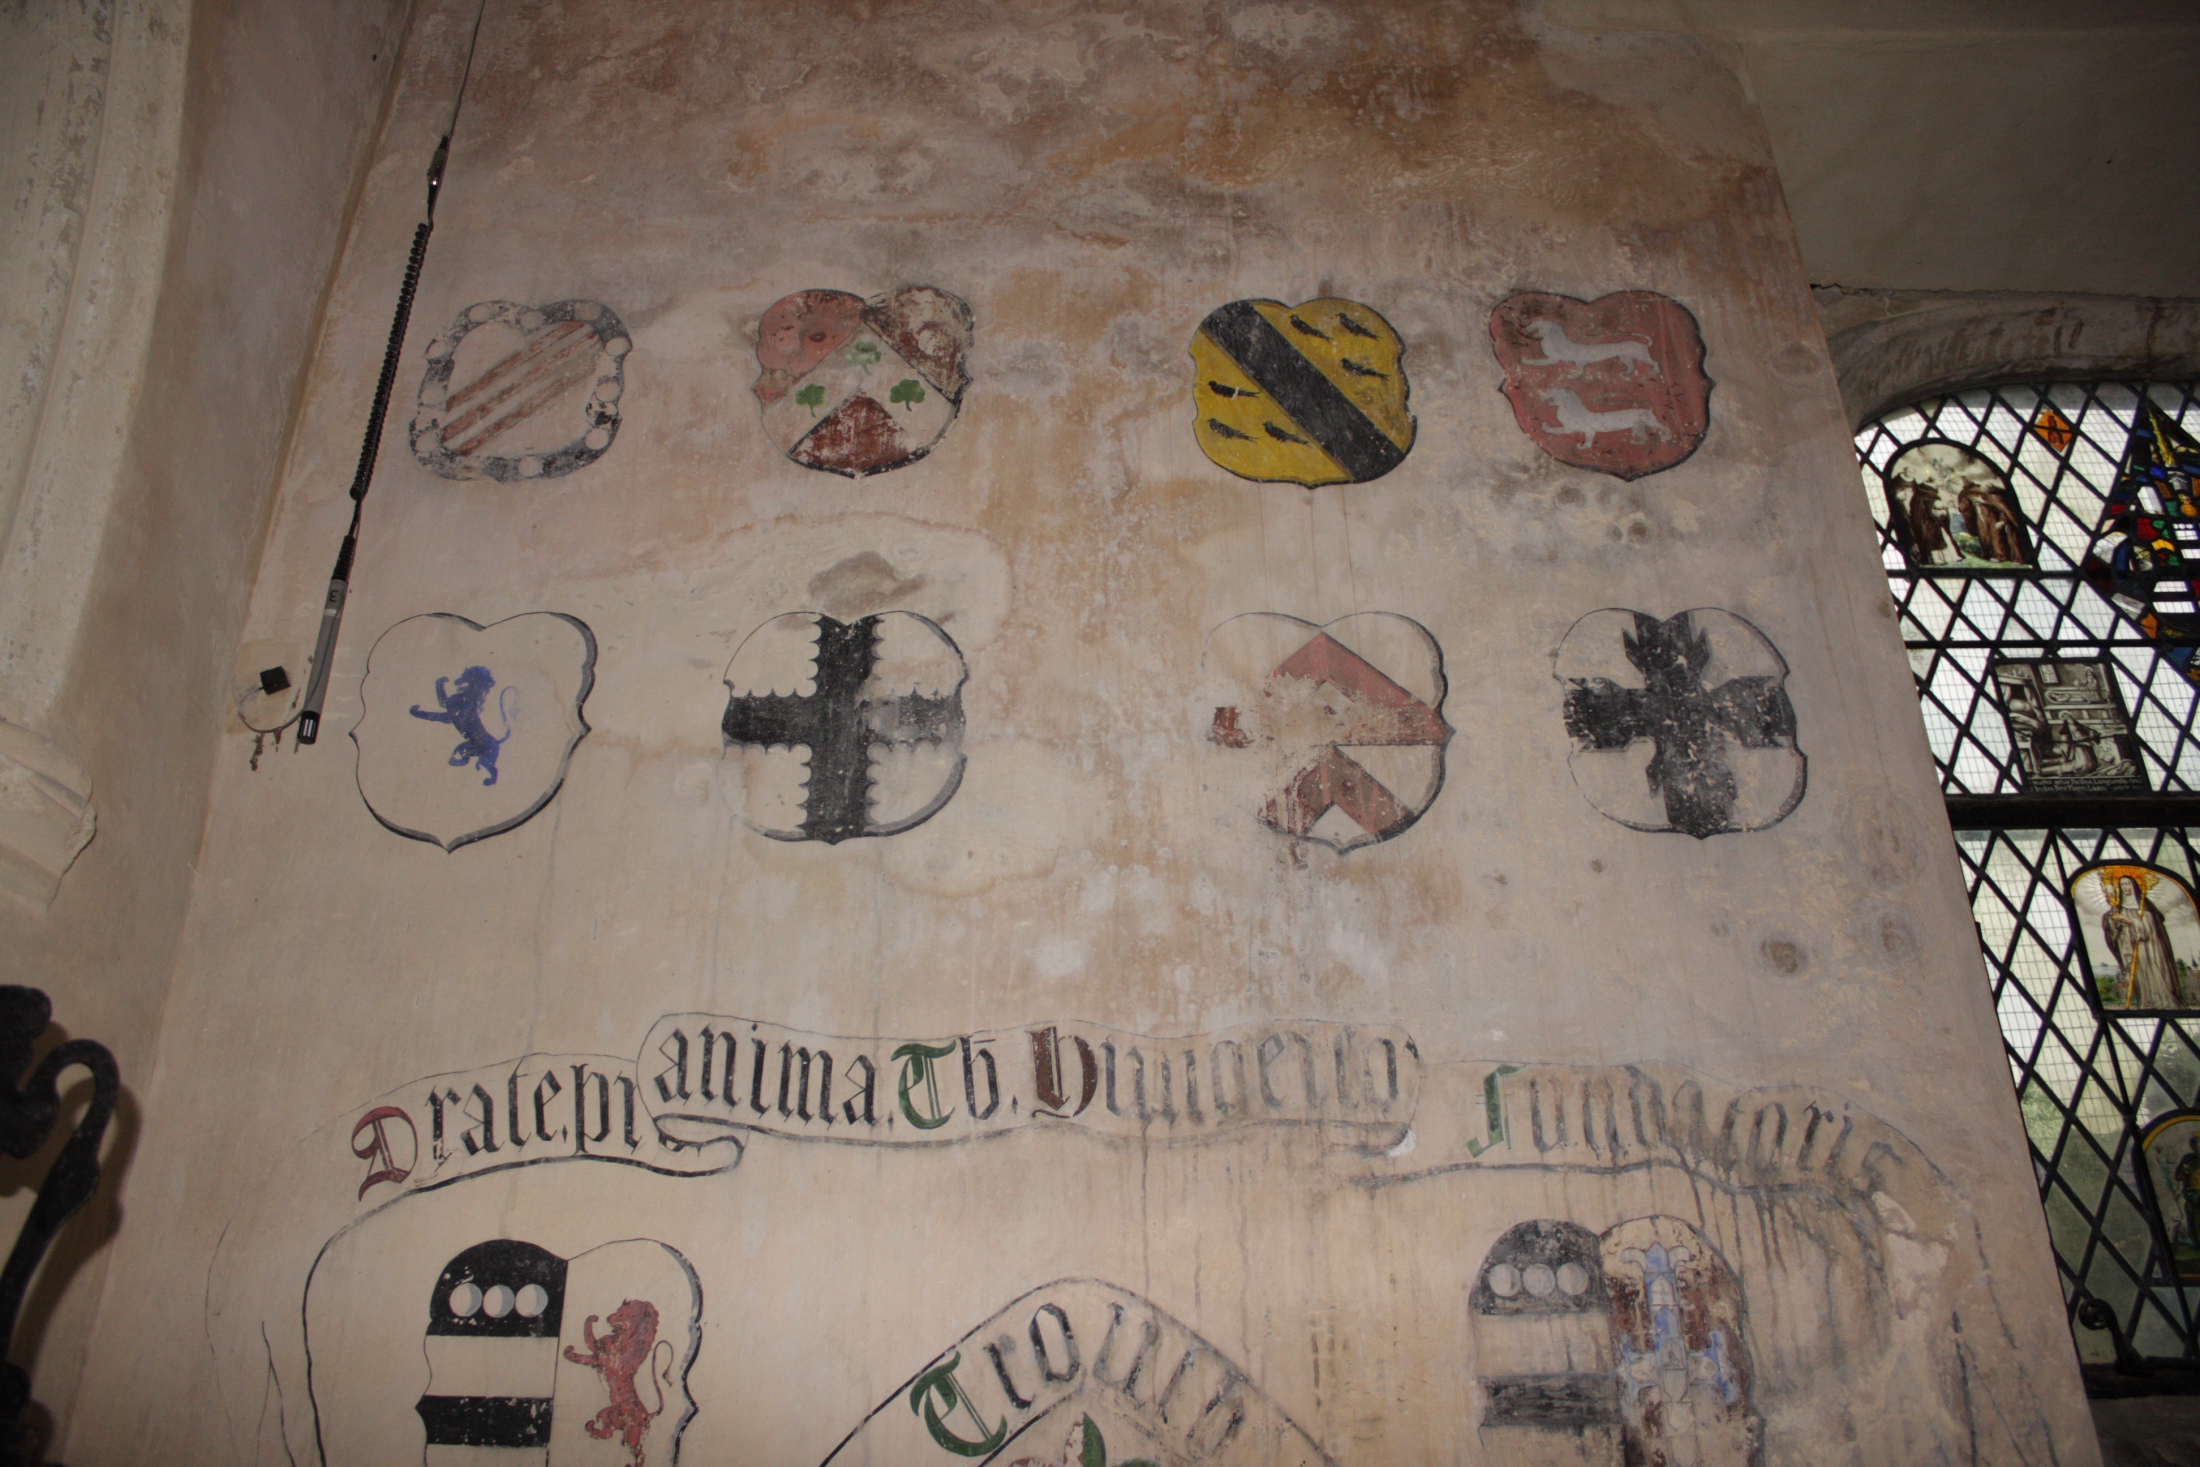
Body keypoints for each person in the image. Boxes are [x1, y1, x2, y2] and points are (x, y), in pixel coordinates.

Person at [2103, 874, 2182, 1009]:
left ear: (2134, 886)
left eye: (2128, 884)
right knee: (2139, 974)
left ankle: (2162, 1001)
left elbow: (2150, 929)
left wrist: (2131, 922)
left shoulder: (2145, 907)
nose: (2125, 887)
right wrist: (2112, 919)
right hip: (2130, 945)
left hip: (2150, 947)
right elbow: (2114, 931)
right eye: (2122, 885)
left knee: (2154, 972)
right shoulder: (2119, 908)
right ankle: (2146, 1001)